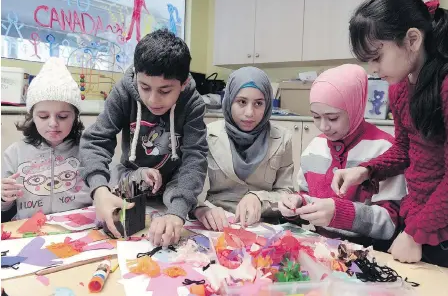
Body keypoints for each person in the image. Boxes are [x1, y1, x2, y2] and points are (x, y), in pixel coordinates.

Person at [332, 0, 448, 269]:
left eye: (377, 57)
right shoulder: (399, 89)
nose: (372, 68)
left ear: (413, 39)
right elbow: (406, 149)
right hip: (421, 219)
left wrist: (414, 233)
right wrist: (367, 170)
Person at [79, 29, 208, 246]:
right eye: (145, 87)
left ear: (183, 83)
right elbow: (95, 141)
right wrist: (99, 190)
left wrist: (177, 212)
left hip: (175, 188)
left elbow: (195, 157)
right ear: (136, 75)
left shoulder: (193, 103)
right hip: (131, 180)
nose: (153, 99)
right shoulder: (122, 92)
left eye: (165, 91)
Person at [278, 64, 407, 248]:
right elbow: (307, 195)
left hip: (368, 253)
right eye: (315, 117)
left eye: (332, 118)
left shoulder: (385, 150)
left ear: (355, 108)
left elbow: (391, 223)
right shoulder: (315, 147)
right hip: (320, 249)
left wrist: (342, 214)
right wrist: (297, 203)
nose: (323, 126)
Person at [192, 67, 294, 230]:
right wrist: (201, 209)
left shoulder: (282, 139)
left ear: (267, 105)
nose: (249, 113)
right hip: (217, 225)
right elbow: (189, 187)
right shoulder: (207, 135)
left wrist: (259, 198)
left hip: (264, 226)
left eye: (258, 103)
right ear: (229, 100)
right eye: (242, 102)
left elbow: (287, 194)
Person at [1, 57, 90, 220]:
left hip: (79, 229)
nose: (53, 124)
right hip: (29, 231)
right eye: (43, 116)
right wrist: (3, 198)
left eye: (63, 116)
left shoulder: (88, 149)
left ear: (75, 117)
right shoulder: (15, 153)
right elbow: (3, 208)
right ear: (32, 116)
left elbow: (104, 190)